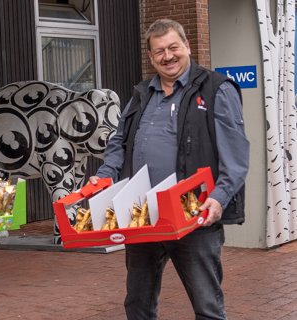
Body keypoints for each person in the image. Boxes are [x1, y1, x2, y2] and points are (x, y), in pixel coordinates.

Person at [88, 19, 249, 320]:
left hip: (194, 214)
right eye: (159, 51)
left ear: (187, 46)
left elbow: (236, 156)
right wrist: (106, 175)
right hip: (142, 214)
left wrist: (220, 197)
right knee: (138, 302)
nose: (168, 56)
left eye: (174, 47)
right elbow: (119, 142)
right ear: (151, 57)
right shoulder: (142, 94)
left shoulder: (216, 89)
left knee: (207, 305)